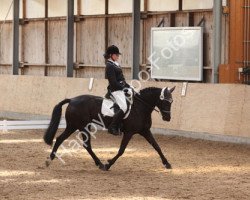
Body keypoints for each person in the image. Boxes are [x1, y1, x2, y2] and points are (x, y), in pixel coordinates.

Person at [103, 45, 129, 135]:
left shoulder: (116, 64)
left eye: (118, 55)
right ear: (111, 55)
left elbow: (121, 79)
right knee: (124, 107)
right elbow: (113, 82)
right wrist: (123, 88)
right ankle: (113, 126)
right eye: (116, 55)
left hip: (121, 88)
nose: (118, 56)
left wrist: (128, 86)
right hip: (115, 90)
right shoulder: (109, 65)